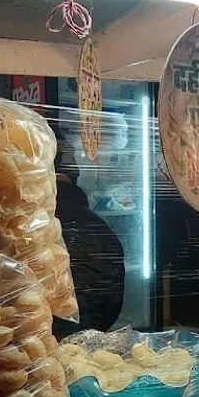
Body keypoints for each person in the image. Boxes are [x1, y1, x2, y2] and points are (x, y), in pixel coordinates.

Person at [51, 136, 126, 338]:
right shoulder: (100, 228)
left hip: (37, 343)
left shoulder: (24, 226)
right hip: (89, 341)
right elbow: (113, 299)